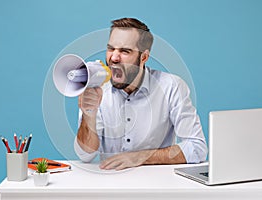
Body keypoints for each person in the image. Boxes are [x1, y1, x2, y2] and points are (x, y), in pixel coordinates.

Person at [74, 17, 207, 170]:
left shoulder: (171, 86)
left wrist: (140, 157)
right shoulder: (97, 87)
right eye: (111, 49)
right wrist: (88, 115)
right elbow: (85, 155)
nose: (114, 58)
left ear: (144, 57)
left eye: (125, 51)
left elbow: (197, 148)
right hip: (110, 183)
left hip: (157, 185)